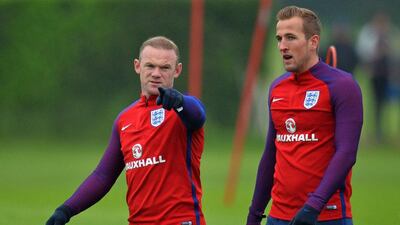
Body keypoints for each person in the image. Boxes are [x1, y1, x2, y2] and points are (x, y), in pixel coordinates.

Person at [46, 36, 207, 225]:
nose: (156, 73)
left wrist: (179, 101)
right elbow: (103, 175)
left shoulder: (184, 110)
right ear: (137, 66)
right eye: (150, 66)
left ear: (177, 70)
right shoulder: (125, 119)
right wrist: (66, 210)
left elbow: (197, 114)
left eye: (164, 68)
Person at [246, 6, 363, 225]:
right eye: (279, 38)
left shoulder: (343, 85)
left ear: (313, 42)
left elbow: (347, 153)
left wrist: (313, 207)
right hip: (278, 216)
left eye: (291, 38)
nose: (282, 46)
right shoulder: (277, 88)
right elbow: (271, 155)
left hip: (326, 216)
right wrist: (254, 215)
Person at [356, 12, 391, 142]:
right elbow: (364, 52)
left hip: (385, 74)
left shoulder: (389, 33)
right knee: (375, 103)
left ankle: (382, 131)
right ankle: (375, 132)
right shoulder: (368, 34)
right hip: (374, 73)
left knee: (384, 103)